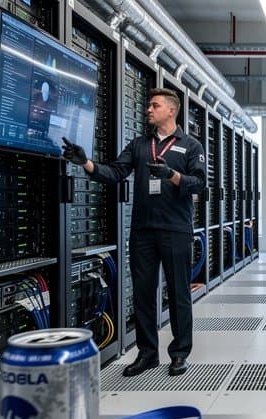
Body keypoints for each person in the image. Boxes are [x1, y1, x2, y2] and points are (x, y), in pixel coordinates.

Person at [62, 88, 206, 377]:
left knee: (179, 293)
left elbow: (199, 184)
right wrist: (86, 163)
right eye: (149, 105)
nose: (148, 109)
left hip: (176, 230)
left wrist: (171, 175)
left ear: (171, 110)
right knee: (142, 294)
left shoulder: (190, 145)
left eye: (155, 105)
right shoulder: (140, 144)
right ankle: (147, 354)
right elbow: (116, 173)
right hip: (143, 231)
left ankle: (179, 354)